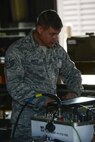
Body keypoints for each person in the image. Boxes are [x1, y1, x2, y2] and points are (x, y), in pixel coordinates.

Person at [4, 9, 83, 139]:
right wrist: (42, 100)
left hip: (52, 119)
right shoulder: (17, 51)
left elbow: (72, 73)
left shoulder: (57, 50)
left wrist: (74, 92)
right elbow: (14, 85)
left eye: (57, 34)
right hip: (26, 122)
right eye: (52, 34)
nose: (55, 39)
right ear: (40, 29)